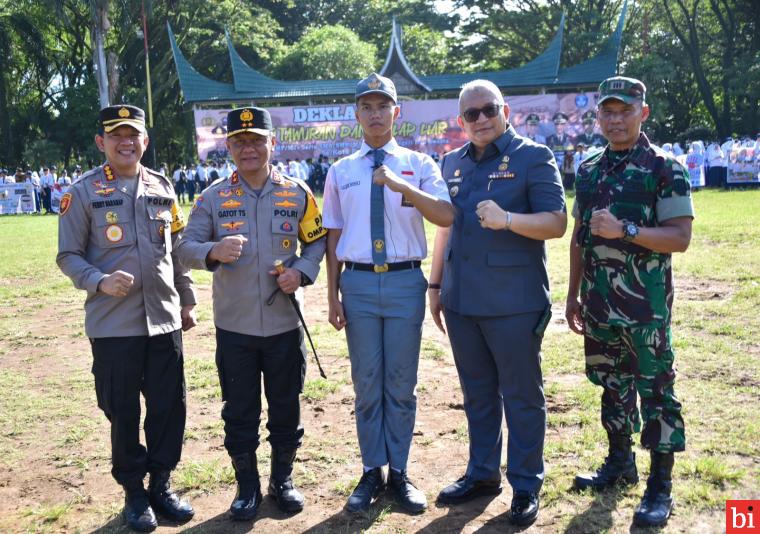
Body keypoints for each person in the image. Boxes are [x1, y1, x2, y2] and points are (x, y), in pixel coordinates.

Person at [176, 107, 327, 521]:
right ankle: (247, 487)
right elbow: (184, 248)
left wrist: (302, 271)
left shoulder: (298, 193)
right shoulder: (212, 197)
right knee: (239, 410)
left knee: (286, 406)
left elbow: (317, 242)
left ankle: (283, 480)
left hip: (283, 326)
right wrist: (212, 251)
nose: (249, 149)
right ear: (228, 147)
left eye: (257, 140)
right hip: (235, 328)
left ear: (271, 144)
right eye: (240, 142)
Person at [428, 79, 566, 527]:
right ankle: (483, 474)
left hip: (514, 303)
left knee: (521, 396)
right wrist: (435, 287)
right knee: (478, 394)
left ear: (505, 109)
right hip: (462, 301)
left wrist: (508, 220)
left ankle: (525, 484)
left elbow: (557, 222)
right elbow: (445, 228)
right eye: (472, 114)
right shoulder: (451, 162)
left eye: (489, 110)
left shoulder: (533, 157)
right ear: (461, 120)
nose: (482, 119)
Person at [56, 105, 197, 532]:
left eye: (133, 134)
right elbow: (68, 256)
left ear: (144, 141)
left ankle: (162, 484)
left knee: (169, 407)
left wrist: (186, 299)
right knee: (122, 410)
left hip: (164, 319)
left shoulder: (163, 187)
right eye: (117, 135)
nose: (126, 142)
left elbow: (175, 250)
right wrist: (99, 281)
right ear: (102, 142)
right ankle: (134, 492)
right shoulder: (82, 192)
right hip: (114, 324)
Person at [323, 73, 454, 515]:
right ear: (356, 114)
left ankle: (400, 471)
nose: (375, 114)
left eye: (384, 106)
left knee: (401, 382)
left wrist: (403, 186)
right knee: (366, 383)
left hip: (403, 282)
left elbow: (445, 216)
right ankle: (371, 469)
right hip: (357, 282)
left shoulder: (420, 163)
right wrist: (332, 295)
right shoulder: (341, 171)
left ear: (397, 112)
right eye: (367, 106)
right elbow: (333, 234)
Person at [566, 77, 694, 528]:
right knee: (611, 386)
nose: (616, 119)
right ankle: (619, 464)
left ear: (644, 112)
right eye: (609, 111)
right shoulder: (589, 168)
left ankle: (661, 483)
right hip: (599, 303)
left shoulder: (664, 167)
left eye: (626, 110)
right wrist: (573, 295)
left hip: (646, 308)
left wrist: (627, 232)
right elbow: (580, 238)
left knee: (656, 392)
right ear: (598, 116)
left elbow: (680, 237)